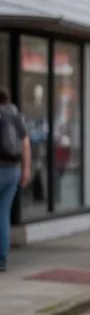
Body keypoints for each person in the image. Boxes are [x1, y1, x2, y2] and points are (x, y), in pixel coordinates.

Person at [0, 88, 30, 272]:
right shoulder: (16, 116)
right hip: (13, 169)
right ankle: (2, 260)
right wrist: (26, 169)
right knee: (3, 214)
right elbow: (25, 143)